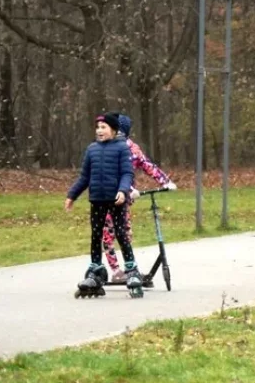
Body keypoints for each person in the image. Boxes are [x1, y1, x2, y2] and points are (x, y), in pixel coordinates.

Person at [65, 113, 142, 298]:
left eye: (103, 127)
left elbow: (127, 173)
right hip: (97, 199)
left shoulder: (122, 148)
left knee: (121, 233)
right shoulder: (91, 149)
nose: (99, 130)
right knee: (96, 234)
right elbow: (84, 177)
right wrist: (72, 195)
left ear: (113, 130)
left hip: (116, 199)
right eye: (98, 127)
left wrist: (123, 191)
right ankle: (95, 269)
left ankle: (131, 269)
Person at [100, 114, 176, 283]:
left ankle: (129, 268)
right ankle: (116, 271)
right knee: (109, 233)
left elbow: (147, 165)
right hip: (106, 197)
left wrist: (165, 181)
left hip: (124, 200)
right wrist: (129, 188)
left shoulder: (132, 148)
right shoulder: (106, 148)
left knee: (125, 232)